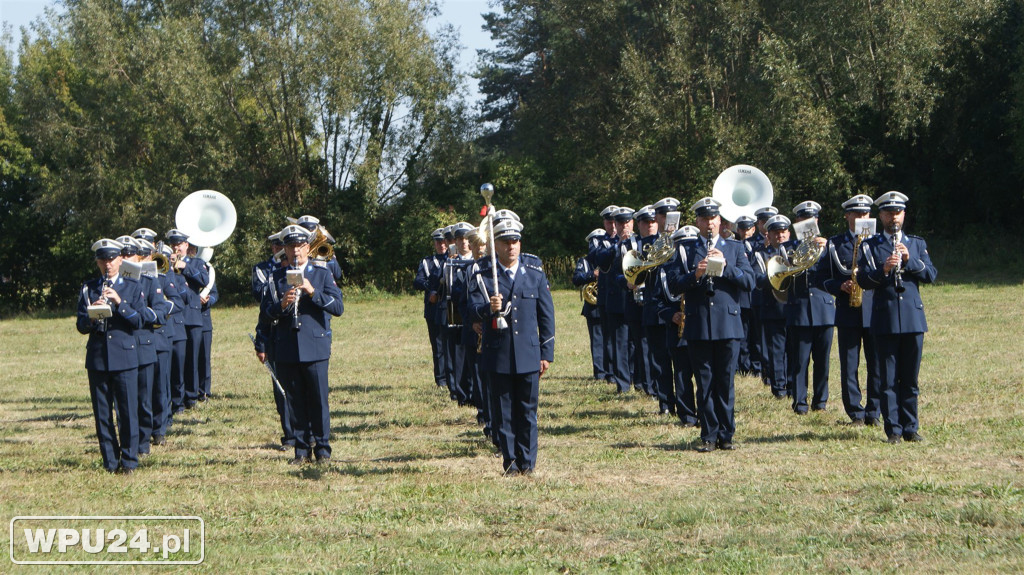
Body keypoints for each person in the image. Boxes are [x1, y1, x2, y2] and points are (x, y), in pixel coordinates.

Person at [665, 198, 754, 452]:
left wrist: (725, 267)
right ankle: (708, 434)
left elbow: (749, 281)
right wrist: (696, 275)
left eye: (713, 219)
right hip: (698, 324)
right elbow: (673, 284)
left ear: (720, 221)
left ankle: (726, 434)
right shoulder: (685, 249)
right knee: (704, 383)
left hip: (728, 325)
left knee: (725, 382)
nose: (709, 223)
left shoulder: (735, 248)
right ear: (697, 222)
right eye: (704, 219)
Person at [470, 218, 555, 476]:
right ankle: (511, 463)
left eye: (515, 241)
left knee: (528, 412)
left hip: (529, 354)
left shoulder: (534, 273)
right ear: (496, 244)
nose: (511, 247)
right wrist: (488, 308)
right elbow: (470, 310)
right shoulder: (484, 275)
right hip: (498, 354)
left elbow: (546, 316)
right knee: (503, 413)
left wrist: (546, 353)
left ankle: (528, 463)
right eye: (506, 242)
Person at [856, 191, 937, 444]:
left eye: (898, 212)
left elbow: (931, 275)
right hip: (885, 319)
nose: (894, 217)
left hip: (913, 319)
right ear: (881, 216)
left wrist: (910, 261)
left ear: (904, 215)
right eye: (889, 212)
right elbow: (862, 280)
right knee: (888, 379)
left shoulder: (916, 244)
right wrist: (885, 269)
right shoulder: (869, 246)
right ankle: (894, 430)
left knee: (910, 378)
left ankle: (911, 427)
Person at [262, 224, 345, 464]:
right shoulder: (276, 278)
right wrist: (281, 306)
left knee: (318, 400)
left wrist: (313, 292)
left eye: (299, 246)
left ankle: (322, 448)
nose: (295, 252)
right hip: (287, 346)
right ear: (284, 251)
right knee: (294, 400)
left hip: (315, 347)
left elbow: (338, 308)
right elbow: (266, 313)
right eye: (290, 247)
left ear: (308, 248)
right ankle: (300, 449)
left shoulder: (321, 273)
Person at [75, 238, 147, 474]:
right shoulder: (89, 288)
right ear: (97, 262)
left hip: (124, 356)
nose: (107, 264)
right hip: (97, 358)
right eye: (102, 260)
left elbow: (139, 321)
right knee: (102, 414)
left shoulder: (133, 286)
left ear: (120, 260)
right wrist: (92, 314)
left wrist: (119, 302)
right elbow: (81, 325)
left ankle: (128, 461)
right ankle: (110, 461)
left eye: (111, 259)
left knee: (127, 412)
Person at [823, 194, 882, 425]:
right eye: (856, 213)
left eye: (865, 213)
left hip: (875, 309)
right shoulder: (835, 244)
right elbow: (822, 278)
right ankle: (855, 412)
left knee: (876, 363)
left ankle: (874, 411)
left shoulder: (878, 242)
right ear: (847, 215)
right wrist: (839, 285)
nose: (861, 217)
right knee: (849, 364)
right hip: (848, 310)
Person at [782, 201, 834, 414]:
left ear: (816, 221)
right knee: (799, 360)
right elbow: (783, 276)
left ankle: (820, 402)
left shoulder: (829, 246)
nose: (807, 223)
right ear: (797, 222)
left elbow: (836, 272)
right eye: (803, 220)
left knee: (822, 360)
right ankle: (800, 402)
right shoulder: (788, 248)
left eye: (811, 220)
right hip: (799, 309)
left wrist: (826, 248)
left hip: (824, 309)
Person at [654, 225, 700, 426]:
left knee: (703, 375)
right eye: (683, 245)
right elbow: (655, 301)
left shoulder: (703, 268)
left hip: (701, 328)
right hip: (677, 330)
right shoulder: (664, 270)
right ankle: (687, 415)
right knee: (681, 375)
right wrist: (671, 315)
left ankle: (705, 414)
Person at [253, 232, 295, 449]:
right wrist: (261, 343)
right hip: (277, 340)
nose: (287, 264)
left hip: (302, 341)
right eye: (284, 259)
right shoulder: (272, 279)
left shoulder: (311, 275)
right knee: (282, 392)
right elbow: (264, 315)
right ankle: (289, 436)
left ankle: (308, 435)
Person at [166, 228, 209, 411]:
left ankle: (191, 396)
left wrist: (185, 267)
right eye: (174, 244)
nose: (177, 248)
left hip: (192, 317)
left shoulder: (197, 263)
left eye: (180, 244)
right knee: (177, 359)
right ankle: (176, 397)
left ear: (186, 245)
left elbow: (204, 280)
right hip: (175, 317)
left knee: (192, 358)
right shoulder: (165, 264)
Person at [752, 215, 792, 399]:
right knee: (776, 350)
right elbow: (757, 279)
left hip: (794, 308)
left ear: (788, 233)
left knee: (793, 349)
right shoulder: (761, 255)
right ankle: (779, 387)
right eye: (776, 233)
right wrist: (776, 275)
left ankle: (792, 384)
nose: (780, 236)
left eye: (783, 232)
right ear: (769, 235)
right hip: (772, 307)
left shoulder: (796, 252)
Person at [413, 228, 448, 387]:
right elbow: (418, 281)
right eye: (438, 242)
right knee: (438, 345)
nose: (441, 245)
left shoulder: (454, 259)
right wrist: (430, 288)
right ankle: (441, 380)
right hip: (433, 307)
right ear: (434, 244)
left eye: (443, 241)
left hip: (449, 307)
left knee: (451, 345)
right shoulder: (427, 262)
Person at [572, 229, 607, 381]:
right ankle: (600, 373)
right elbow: (576, 279)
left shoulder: (610, 260)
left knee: (612, 340)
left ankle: (612, 371)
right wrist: (592, 274)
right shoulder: (584, 261)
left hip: (609, 304)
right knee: (597, 340)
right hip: (592, 306)